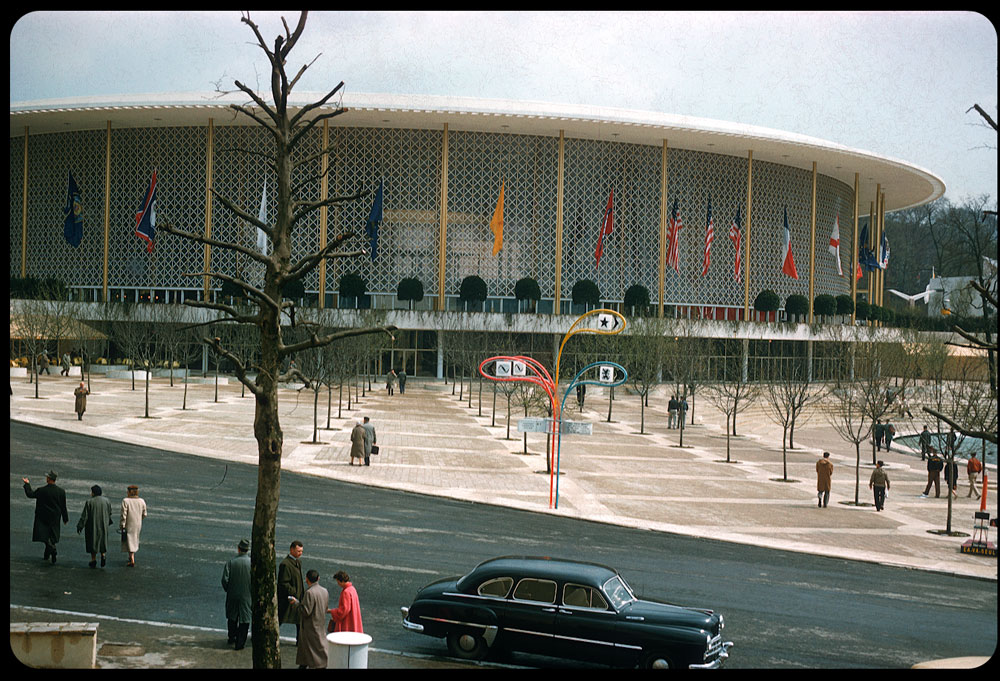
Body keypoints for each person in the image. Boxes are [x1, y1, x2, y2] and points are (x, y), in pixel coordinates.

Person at [22, 471, 69, 564]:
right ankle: (48, 554)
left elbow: (30, 494)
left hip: (42, 516)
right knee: (52, 535)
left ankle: (51, 549)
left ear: (49, 479)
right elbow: (63, 506)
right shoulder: (61, 491)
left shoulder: (42, 490)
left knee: (44, 535)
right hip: (55, 517)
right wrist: (65, 518)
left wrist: (27, 484)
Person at [293, 570, 330, 669]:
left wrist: (296, 603)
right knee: (318, 648)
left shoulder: (309, 593)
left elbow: (305, 611)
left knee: (310, 650)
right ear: (318, 578)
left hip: (310, 627)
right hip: (320, 623)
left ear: (307, 579)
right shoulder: (324, 591)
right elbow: (326, 607)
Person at [222, 539, 252, 650]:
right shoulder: (252, 563)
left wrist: (229, 590)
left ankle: (231, 637)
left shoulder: (231, 562)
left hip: (233, 595)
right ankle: (240, 643)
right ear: (247, 550)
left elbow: (225, 580)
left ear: (238, 548)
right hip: (247, 596)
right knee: (245, 620)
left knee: (232, 617)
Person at [76, 484, 113, 568]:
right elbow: (110, 512)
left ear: (93, 493)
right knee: (102, 540)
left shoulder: (89, 502)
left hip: (92, 525)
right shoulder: (107, 501)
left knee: (92, 541)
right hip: (103, 524)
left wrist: (80, 526)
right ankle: (103, 555)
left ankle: (93, 559)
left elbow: (84, 516)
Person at [277, 541, 305, 641]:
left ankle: (299, 641)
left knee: (299, 621)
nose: (300, 553)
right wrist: (294, 592)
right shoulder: (285, 564)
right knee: (280, 618)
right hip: (288, 598)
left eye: (301, 551)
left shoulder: (297, 562)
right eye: (298, 551)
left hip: (297, 597)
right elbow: (283, 583)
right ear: (291, 549)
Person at [120, 485, 147, 567]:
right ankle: (131, 556)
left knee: (129, 539)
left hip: (129, 522)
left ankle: (132, 559)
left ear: (129, 492)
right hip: (138, 523)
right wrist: (139, 519)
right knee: (134, 538)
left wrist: (122, 524)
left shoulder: (125, 501)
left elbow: (123, 515)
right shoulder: (142, 501)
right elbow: (145, 514)